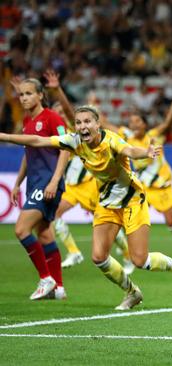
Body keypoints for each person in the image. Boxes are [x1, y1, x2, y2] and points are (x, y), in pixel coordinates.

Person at [0, 105, 172, 310]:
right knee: (98, 257)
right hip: (107, 204)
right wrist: (4, 136)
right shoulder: (74, 141)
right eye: (78, 122)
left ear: (97, 124)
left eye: (87, 122)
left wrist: (144, 153)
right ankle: (132, 292)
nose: (82, 126)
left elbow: (129, 150)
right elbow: (37, 141)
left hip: (132, 200)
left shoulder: (110, 140)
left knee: (139, 259)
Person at [40, 70, 133, 272]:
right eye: (58, 112)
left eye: (63, 112)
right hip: (72, 186)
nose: (61, 114)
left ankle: (127, 255)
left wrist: (57, 91)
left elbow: (67, 107)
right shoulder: (63, 134)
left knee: (106, 222)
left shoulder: (77, 131)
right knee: (54, 214)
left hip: (89, 184)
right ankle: (74, 251)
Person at [101, 95, 172, 261]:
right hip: (142, 186)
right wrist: (93, 107)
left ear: (144, 124)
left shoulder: (153, 135)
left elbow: (166, 125)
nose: (133, 124)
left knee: (170, 222)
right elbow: (106, 125)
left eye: (137, 121)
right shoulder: (126, 135)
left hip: (161, 185)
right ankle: (127, 251)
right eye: (131, 121)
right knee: (125, 215)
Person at [10, 78, 69, 300]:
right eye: (21, 94)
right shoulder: (27, 121)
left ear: (40, 95)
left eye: (28, 93)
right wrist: (17, 183)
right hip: (34, 182)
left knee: (21, 229)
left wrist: (55, 181)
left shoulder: (53, 118)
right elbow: (28, 154)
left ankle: (46, 278)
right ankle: (59, 289)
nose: (24, 98)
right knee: (43, 234)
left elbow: (66, 149)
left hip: (47, 182)